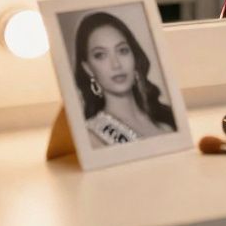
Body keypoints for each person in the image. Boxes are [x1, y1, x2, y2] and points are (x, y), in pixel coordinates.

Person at [72, 11, 177, 146]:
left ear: (134, 57)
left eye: (122, 51)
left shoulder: (167, 117)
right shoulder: (91, 136)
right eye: (100, 55)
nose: (116, 64)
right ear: (88, 68)